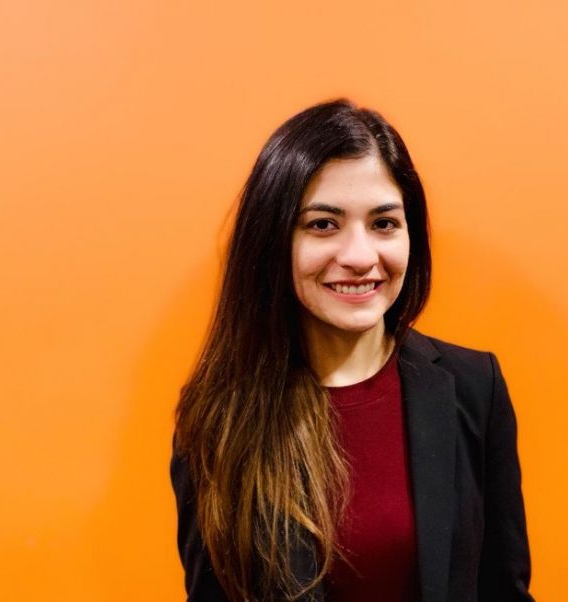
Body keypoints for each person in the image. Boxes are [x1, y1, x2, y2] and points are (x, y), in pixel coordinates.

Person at [170, 98, 535, 602]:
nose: (361, 257)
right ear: (273, 240)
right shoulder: (219, 415)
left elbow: (504, 591)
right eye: (323, 224)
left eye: (384, 223)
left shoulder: (474, 387)